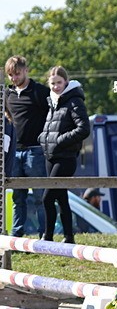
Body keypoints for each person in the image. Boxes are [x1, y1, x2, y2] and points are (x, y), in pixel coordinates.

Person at [38, 66, 90, 243]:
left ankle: (48, 236)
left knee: (47, 198)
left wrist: (59, 140)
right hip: (51, 156)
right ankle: (69, 236)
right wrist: (43, 138)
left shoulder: (74, 101)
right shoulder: (53, 101)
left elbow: (84, 129)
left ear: (66, 82)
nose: (55, 86)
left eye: (59, 83)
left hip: (66, 158)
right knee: (62, 199)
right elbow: (50, 127)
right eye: (52, 83)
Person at [4, 56, 51, 236]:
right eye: (10, 75)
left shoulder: (39, 92)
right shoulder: (7, 95)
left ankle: (44, 234)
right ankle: (17, 235)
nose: (14, 78)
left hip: (36, 151)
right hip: (14, 152)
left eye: (16, 74)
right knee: (18, 197)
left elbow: (54, 116)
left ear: (26, 70)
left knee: (40, 196)